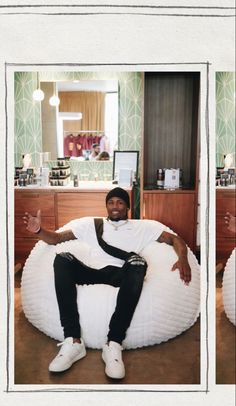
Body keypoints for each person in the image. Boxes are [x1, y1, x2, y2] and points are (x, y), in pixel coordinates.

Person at [23, 187, 191, 379]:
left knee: (138, 263)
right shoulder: (92, 225)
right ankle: (73, 341)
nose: (115, 207)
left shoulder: (143, 227)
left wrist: (183, 259)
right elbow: (56, 239)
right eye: (111, 202)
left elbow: (175, 239)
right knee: (62, 258)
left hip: (122, 274)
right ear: (106, 205)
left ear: (127, 206)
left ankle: (114, 344)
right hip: (93, 271)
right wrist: (38, 230)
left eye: (120, 202)